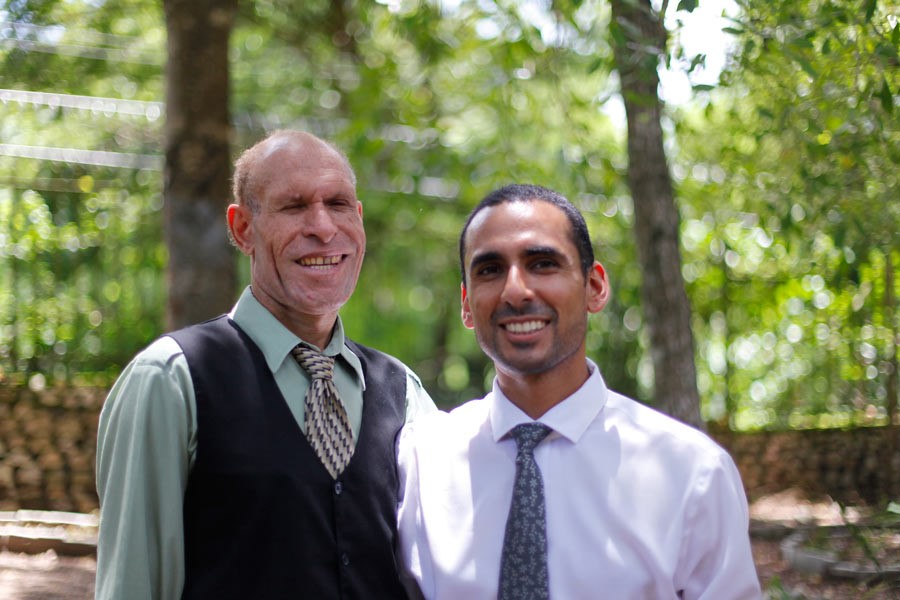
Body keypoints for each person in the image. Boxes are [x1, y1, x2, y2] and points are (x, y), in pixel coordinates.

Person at [95, 130, 435, 599]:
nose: (322, 226)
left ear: (358, 220)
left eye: (337, 204)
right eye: (293, 206)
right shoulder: (172, 380)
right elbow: (133, 586)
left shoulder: (403, 392)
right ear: (242, 229)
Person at [397, 184, 761, 599]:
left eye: (543, 264)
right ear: (466, 303)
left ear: (595, 287)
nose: (515, 290)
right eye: (490, 270)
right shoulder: (422, 466)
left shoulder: (691, 472)